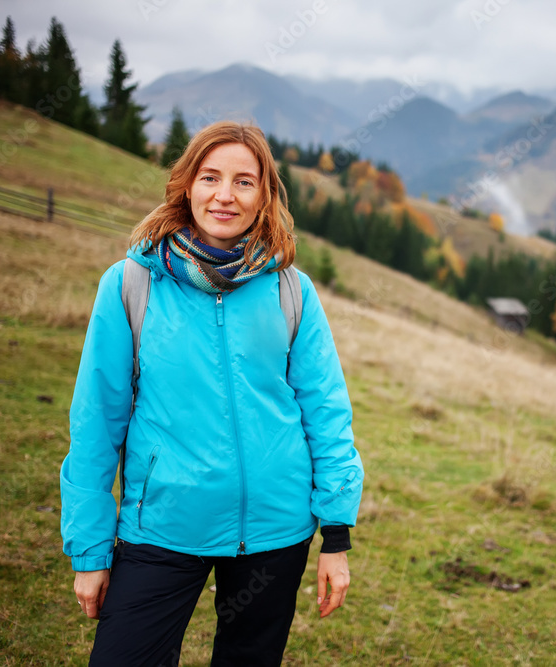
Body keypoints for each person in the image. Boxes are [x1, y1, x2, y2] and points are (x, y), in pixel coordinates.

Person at [60, 121, 363, 666]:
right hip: (162, 528)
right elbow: (96, 423)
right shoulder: (131, 284)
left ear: (264, 195)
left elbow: (326, 412)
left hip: (276, 533)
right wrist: (90, 549)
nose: (225, 195)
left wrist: (336, 536)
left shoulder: (291, 289)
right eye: (210, 177)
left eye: (244, 182)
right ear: (186, 185)